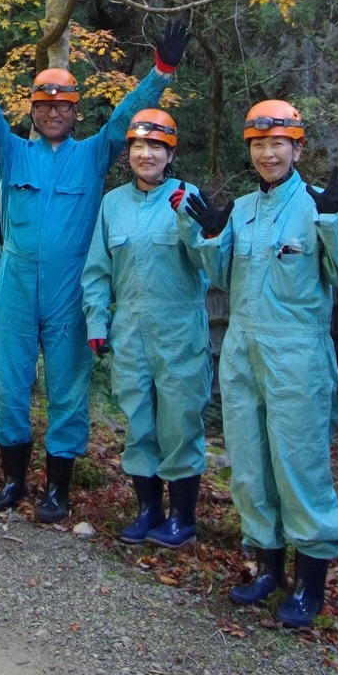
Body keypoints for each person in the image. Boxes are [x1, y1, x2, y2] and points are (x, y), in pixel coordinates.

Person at [0, 11, 188, 523]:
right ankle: (12, 480)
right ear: (32, 110)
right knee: (10, 381)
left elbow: (126, 117)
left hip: (70, 286)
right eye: (45, 105)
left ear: (76, 111)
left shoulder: (94, 155)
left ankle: (57, 489)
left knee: (69, 386)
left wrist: (161, 72)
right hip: (15, 279)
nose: (54, 113)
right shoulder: (10, 150)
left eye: (63, 106)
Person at [178, 101, 338, 627]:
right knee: (249, 463)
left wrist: (334, 219)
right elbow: (219, 277)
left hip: (297, 354)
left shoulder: (318, 204)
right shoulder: (241, 209)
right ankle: (266, 567)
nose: (268, 153)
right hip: (242, 350)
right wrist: (209, 235)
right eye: (259, 144)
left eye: (278, 143)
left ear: (297, 148)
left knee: (298, 464)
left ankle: (310, 585)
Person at [82, 108, 212, 546]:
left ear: (170, 154)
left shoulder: (188, 196)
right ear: (129, 153)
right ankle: (148, 510)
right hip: (129, 328)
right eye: (139, 146)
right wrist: (97, 319)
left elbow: (208, 264)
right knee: (139, 420)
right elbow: (97, 269)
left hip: (180, 327)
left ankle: (183, 518)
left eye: (156, 146)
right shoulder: (112, 203)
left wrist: (196, 225)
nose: (147, 154)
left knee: (180, 419)